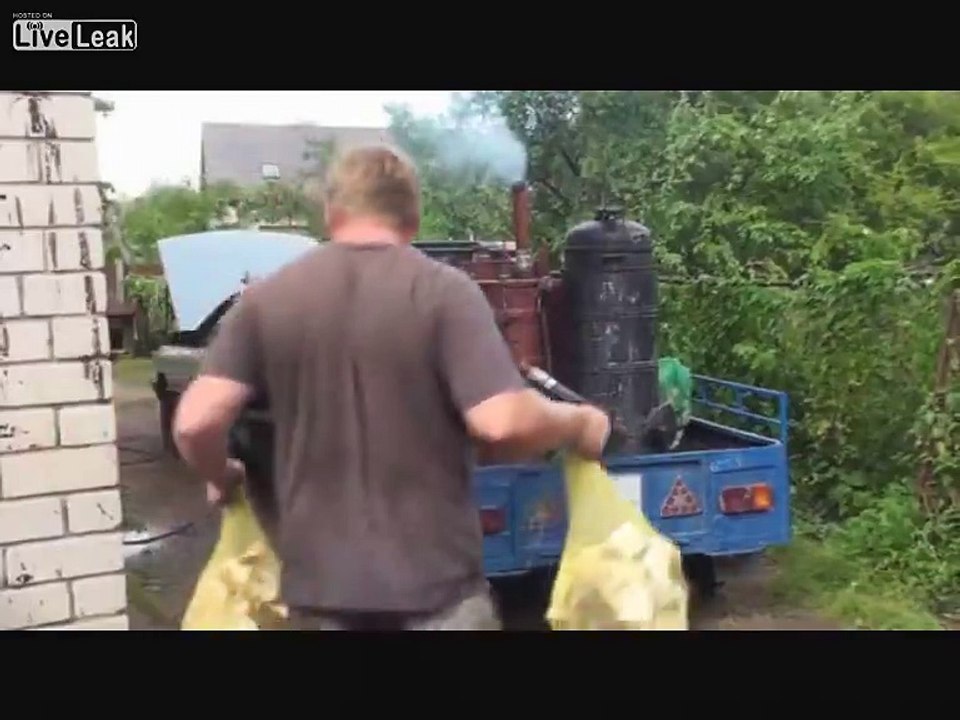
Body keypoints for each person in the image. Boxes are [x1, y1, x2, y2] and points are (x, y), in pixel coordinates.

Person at [172, 144, 611, 631]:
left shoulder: (265, 300)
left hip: (318, 604)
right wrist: (580, 422)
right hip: (440, 604)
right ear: (413, 216)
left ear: (331, 211)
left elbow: (195, 423)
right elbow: (501, 422)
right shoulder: (444, 292)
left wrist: (222, 474)